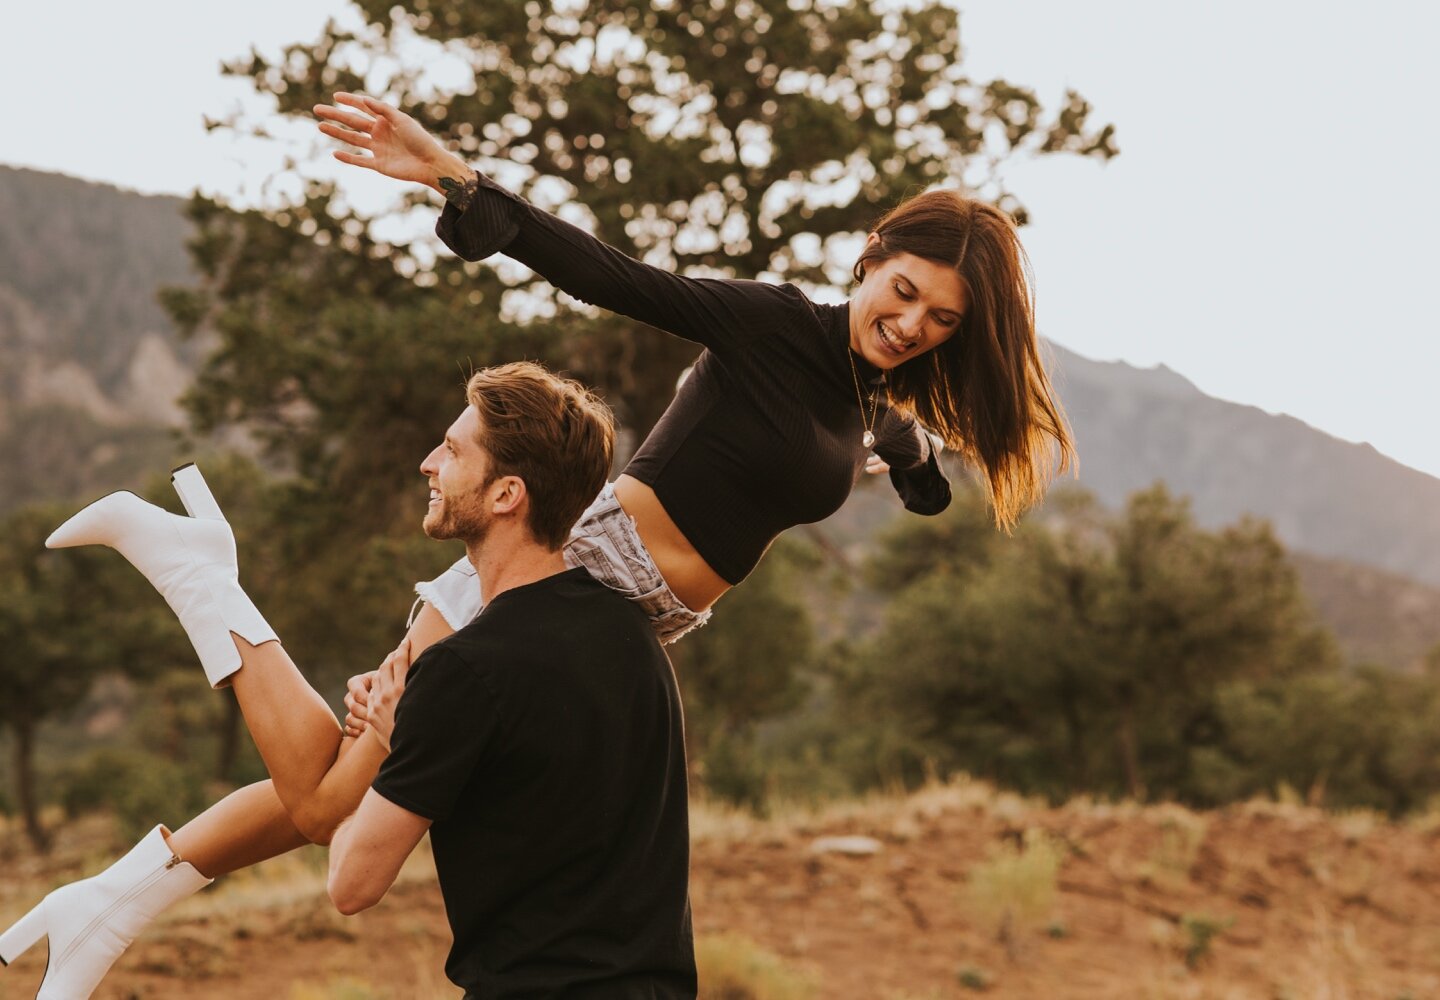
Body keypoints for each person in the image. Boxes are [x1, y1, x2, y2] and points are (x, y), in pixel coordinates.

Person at [0, 86, 1074, 993]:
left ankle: (109, 900)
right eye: (904, 293)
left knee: (335, 787)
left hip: (624, 624)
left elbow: (913, 478)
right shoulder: (773, 325)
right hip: (562, 565)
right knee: (334, 804)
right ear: (874, 253)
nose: (913, 325)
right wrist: (455, 182)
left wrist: (915, 458)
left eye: (941, 321)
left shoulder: (866, 400)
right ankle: (202, 586)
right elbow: (611, 275)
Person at [2, 363, 696, 999]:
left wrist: (397, 734)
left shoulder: (466, 669)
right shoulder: (635, 638)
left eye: (453, 452)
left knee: (323, 797)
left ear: (507, 494)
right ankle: (201, 582)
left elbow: (350, 883)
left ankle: (202, 581)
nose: (429, 463)